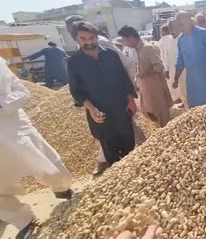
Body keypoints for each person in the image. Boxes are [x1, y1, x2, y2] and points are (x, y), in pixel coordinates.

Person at [0, 58, 73, 239]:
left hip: (13, 127)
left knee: (46, 164)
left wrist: (1, 103)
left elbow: (21, 93)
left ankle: (61, 188)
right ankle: (24, 220)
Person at [65, 16, 146, 175]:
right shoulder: (74, 62)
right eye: (83, 38)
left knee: (128, 144)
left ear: (97, 36)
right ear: (76, 39)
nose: (88, 42)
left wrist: (131, 99)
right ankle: (118, 177)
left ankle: (131, 175)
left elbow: (123, 79)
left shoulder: (110, 55)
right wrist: (91, 108)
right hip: (100, 114)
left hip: (121, 109)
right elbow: (76, 90)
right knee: (110, 150)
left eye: (91, 37)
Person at [118, 26, 173, 127]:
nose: (125, 43)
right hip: (145, 88)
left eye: (125, 40)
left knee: (161, 113)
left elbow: (159, 66)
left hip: (155, 87)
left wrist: (146, 73)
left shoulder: (147, 48)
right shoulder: (136, 50)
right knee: (146, 111)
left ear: (131, 38)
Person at [173, 11, 206, 108]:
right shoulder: (181, 40)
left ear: (190, 21)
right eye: (179, 25)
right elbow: (180, 61)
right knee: (195, 110)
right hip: (192, 82)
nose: (181, 27)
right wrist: (176, 79)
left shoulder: (204, 34)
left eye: (183, 24)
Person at [157, 25, 181, 104]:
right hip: (179, 63)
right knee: (181, 81)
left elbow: (164, 56)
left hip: (170, 65)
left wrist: (166, 69)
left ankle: (177, 98)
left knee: (172, 82)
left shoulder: (162, 41)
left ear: (162, 32)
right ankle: (182, 98)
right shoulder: (175, 37)